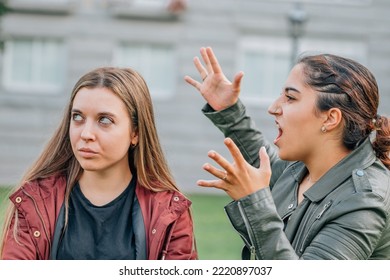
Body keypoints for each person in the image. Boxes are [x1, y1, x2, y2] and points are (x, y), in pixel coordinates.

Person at [184, 46, 390, 259]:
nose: (273, 107)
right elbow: (269, 167)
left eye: (290, 98)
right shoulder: (303, 169)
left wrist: (256, 205)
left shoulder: (363, 200)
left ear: (330, 118)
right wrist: (230, 110)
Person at [0, 67, 197, 260]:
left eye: (104, 120)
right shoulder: (35, 201)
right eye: (77, 117)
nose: (85, 134)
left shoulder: (168, 212)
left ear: (135, 133)